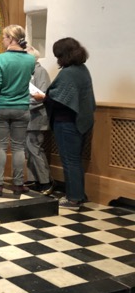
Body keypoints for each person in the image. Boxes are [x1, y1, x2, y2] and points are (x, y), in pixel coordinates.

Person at [39, 38, 95, 210]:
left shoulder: (68, 73)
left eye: (57, 55)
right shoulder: (82, 69)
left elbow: (59, 100)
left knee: (70, 161)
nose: (57, 59)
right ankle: (78, 194)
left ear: (63, 55)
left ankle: (73, 199)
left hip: (67, 123)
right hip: (79, 121)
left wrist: (43, 98)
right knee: (75, 160)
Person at [0, 25, 35, 197]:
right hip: (21, 107)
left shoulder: (0, 59)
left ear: (11, 39)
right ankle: (18, 184)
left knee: (0, 145)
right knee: (19, 147)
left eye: (4, 37)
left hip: (1, 106)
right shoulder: (30, 60)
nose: (2, 40)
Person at [25, 46, 53, 194]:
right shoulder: (28, 71)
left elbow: (41, 96)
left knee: (34, 149)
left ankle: (46, 181)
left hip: (37, 117)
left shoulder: (40, 71)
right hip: (28, 117)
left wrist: (22, 104)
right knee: (28, 150)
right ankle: (33, 179)